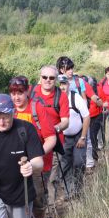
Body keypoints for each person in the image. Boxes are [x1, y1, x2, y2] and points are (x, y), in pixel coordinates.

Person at [9, 76, 57, 218]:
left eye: (20, 93)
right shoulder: (8, 110)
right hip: (15, 161)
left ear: (27, 91)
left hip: (39, 162)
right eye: (13, 93)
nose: (16, 97)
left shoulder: (37, 108)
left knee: (37, 194)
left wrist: (36, 155)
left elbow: (51, 138)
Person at [30, 65, 69, 201]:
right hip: (32, 143)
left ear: (56, 79)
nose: (48, 80)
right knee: (33, 178)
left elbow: (65, 122)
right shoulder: (32, 93)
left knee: (50, 179)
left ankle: (50, 209)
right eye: (44, 77)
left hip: (53, 143)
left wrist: (54, 129)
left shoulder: (61, 96)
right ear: (40, 78)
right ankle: (35, 210)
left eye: (51, 78)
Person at [57, 75, 90, 195]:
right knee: (65, 164)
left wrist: (83, 137)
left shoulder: (76, 98)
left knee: (78, 162)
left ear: (68, 85)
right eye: (60, 84)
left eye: (64, 84)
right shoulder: (56, 100)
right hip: (63, 138)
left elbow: (86, 116)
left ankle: (78, 188)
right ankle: (68, 191)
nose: (62, 87)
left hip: (78, 136)